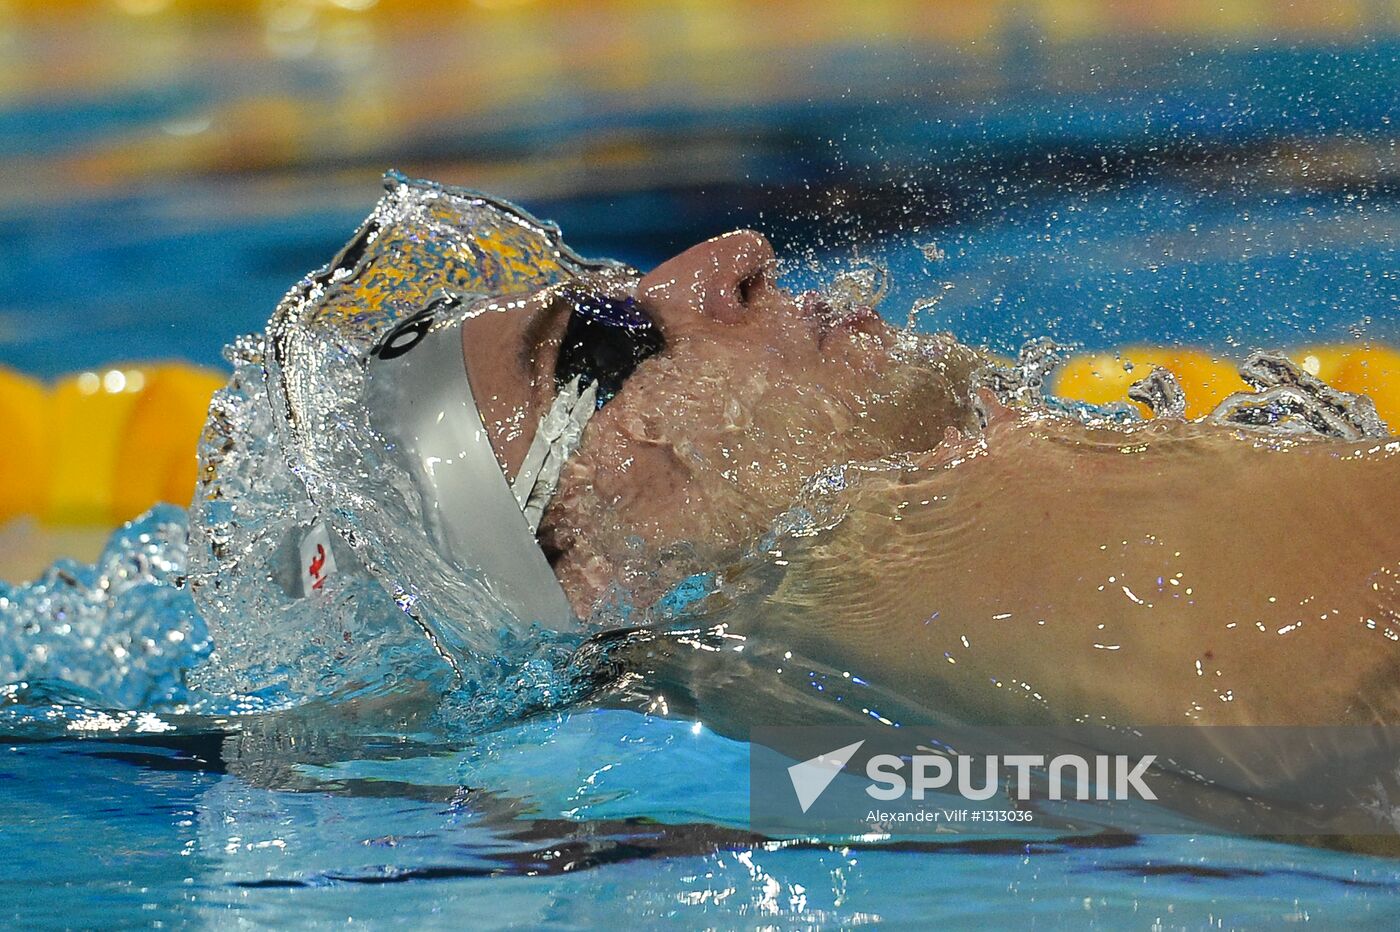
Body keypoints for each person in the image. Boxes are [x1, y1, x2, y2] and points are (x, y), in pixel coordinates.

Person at [200, 175, 1400, 736]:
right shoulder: (1014, 545)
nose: (729, 252)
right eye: (613, 332)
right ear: (585, 583)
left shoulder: (895, 706)